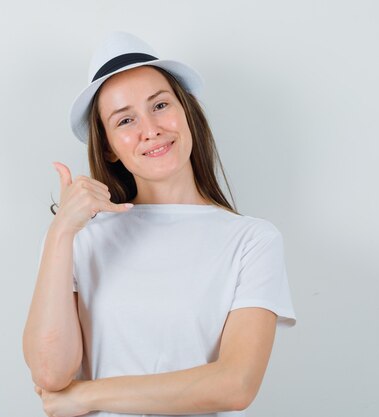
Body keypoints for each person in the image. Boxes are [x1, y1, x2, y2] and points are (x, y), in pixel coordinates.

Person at [22, 31, 297, 417]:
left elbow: (236, 384)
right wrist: (61, 232)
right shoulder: (81, 238)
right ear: (108, 148)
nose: (150, 129)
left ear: (186, 111)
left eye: (161, 105)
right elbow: (51, 373)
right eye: (126, 120)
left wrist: (87, 396)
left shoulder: (251, 240)